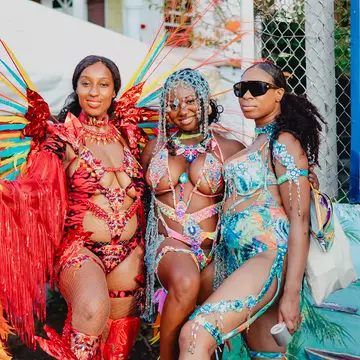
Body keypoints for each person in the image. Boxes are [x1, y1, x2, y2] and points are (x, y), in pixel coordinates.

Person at [0, 56, 146, 360]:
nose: (94, 92)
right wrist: (7, 191)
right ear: (76, 89)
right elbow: (36, 186)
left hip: (129, 252)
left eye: (103, 85)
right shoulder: (61, 137)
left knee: (118, 343)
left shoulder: (128, 136)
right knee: (92, 309)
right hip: (81, 248)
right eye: (86, 84)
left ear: (113, 92)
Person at [178, 61, 325, 359]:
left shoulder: (283, 142)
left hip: (266, 259)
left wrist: (292, 292)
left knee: (195, 335)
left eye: (257, 89)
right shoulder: (253, 144)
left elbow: (300, 221)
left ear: (278, 93)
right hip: (233, 262)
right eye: (240, 89)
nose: (246, 96)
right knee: (266, 356)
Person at [140, 68, 245, 360]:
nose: (182, 110)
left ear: (205, 102)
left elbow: (258, 186)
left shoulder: (230, 149)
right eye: (172, 105)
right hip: (169, 244)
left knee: (203, 332)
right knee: (186, 281)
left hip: (215, 251)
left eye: (189, 101)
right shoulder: (154, 149)